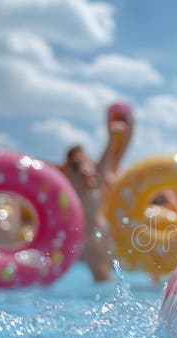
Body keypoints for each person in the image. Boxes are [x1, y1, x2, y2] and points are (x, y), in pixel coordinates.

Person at [63, 102, 134, 281]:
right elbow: (101, 167)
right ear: (72, 169)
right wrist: (111, 140)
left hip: (105, 236)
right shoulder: (77, 188)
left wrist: (113, 139)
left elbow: (104, 166)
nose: (85, 168)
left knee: (113, 279)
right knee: (104, 280)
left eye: (86, 162)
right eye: (78, 165)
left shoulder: (96, 186)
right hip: (92, 241)